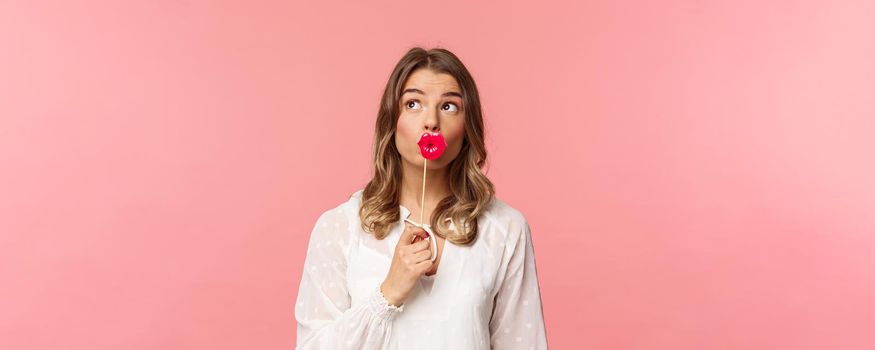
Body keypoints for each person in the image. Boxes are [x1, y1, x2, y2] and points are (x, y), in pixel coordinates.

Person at [294, 47, 548, 349]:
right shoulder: (339, 227)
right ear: (392, 121)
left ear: (468, 128)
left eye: (449, 107)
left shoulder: (505, 228)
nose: (431, 121)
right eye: (413, 104)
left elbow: (523, 343)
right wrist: (388, 294)